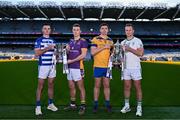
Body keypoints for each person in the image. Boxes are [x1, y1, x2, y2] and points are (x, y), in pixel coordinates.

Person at [64, 23, 88, 115]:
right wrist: (66, 50)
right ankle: (73, 104)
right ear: (72, 31)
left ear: (80, 31)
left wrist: (71, 61)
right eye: (74, 30)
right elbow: (67, 54)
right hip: (70, 68)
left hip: (78, 67)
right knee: (71, 87)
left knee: (80, 87)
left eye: (77, 30)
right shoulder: (70, 41)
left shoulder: (83, 41)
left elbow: (83, 55)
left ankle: (83, 105)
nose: (76, 31)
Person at [120, 23, 144, 117]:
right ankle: (127, 106)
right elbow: (121, 57)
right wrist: (118, 60)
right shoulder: (122, 43)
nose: (128, 32)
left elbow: (140, 53)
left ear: (133, 31)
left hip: (136, 68)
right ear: (125, 31)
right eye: (126, 30)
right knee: (126, 87)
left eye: (130, 30)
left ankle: (139, 107)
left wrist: (129, 49)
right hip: (126, 68)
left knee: (137, 87)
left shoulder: (138, 41)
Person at [34, 23, 58, 115]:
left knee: (51, 84)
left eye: (48, 28)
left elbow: (55, 54)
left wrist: (59, 54)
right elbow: (37, 54)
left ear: (50, 30)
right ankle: (38, 106)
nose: (47, 30)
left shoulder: (53, 40)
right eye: (45, 28)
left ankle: (50, 104)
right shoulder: (39, 40)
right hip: (43, 65)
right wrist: (48, 48)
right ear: (42, 30)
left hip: (52, 66)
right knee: (41, 86)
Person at [91, 23, 114, 113]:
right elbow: (92, 53)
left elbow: (112, 54)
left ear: (108, 30)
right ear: (100, 30)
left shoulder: (111, 41)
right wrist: (104, 47)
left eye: (106, 28)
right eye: (102, 28)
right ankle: (95, 105)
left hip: (107, 67)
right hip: (98, 66)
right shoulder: (95, 39)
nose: (104, 30)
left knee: (107, 86)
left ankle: (107, 104)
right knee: (97, 86)